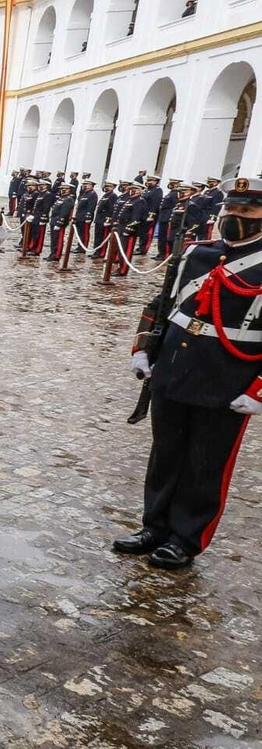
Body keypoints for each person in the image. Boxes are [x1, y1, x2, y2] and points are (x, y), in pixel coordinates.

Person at [119, 178, 262, 569]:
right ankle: (155, 526)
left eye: (247, 212)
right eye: (231, 209)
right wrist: (143, 348)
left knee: (205, 463)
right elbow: (161, 303)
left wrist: (258, 391)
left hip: (227, 379)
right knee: (165, 454)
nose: (235, 217)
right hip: (173, 370)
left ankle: (186, 537)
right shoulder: (197, 254)